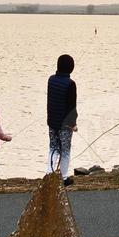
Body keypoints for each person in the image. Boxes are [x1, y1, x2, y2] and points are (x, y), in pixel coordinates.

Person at [46, 53, 77, 185]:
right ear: (71, 68)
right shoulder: (71, 84)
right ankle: (63, 177)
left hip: (52, 121)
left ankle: (49, 173)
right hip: (65, 125)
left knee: (53, 147)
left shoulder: (51, 79)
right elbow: (71, 107)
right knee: (65, 150)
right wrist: (73, 124)